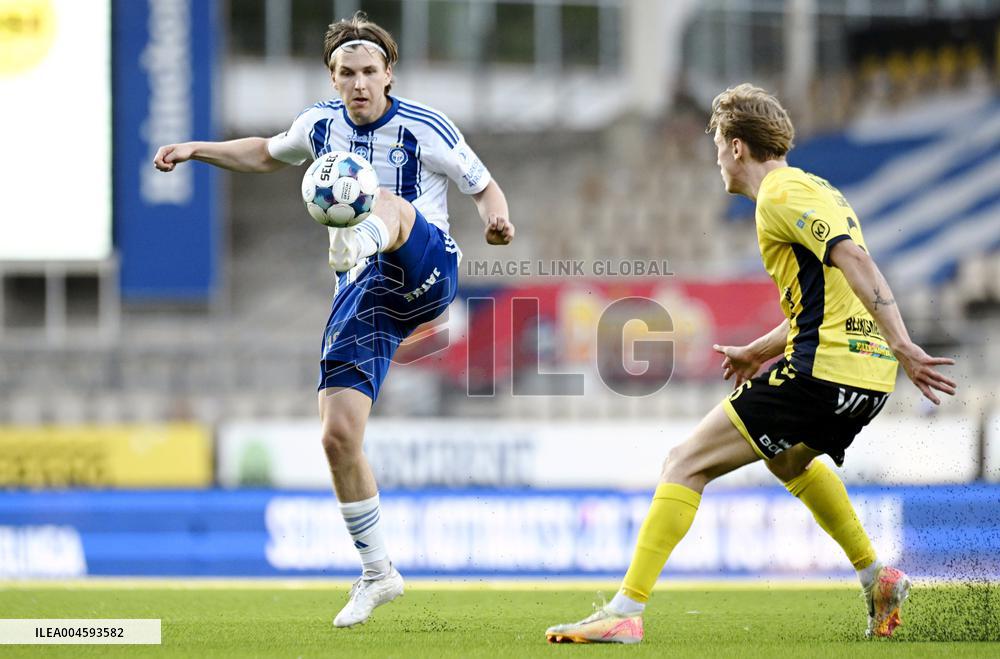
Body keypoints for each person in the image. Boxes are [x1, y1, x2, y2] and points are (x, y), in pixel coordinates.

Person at [545, 83, 956, 644]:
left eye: (717, 142)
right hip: (865, 379)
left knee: (684, 462)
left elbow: (856, 260)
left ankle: (625, 611)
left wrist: (905, 341)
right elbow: (823, 302)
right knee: (787, 462)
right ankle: (875, 576)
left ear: (737, 147)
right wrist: (757, 351)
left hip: (823, 372)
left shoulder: (781, 194)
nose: (715, 156)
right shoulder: (818, 191)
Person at [154, 12, 513, 628]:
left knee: (390, 203)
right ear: (333, 76)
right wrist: (196, 149)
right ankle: (378, 573)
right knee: (337, 435)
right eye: (347, 73)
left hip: (424, 268)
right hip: (365, 292)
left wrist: (497, 221)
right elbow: (266, 153)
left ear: (388, 73)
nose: (359, 83)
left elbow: (483, 186)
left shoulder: (426, 126)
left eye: (369, 71)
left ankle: (360, 237)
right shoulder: (319, 126)